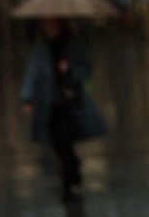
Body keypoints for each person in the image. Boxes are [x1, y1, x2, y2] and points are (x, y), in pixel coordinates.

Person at [19, 17, 107, 201]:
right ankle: (73, 168)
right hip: (50, 106)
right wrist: (27, 98)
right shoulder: (41, 50)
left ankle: (68, 185)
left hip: (71, 105)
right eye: (46, 25)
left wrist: (69, 70)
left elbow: (86, 69)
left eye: (52, 24)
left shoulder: (73, 46)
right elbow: (32, 74)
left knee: (65, 142)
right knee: (58, 145)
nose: (49, 28)